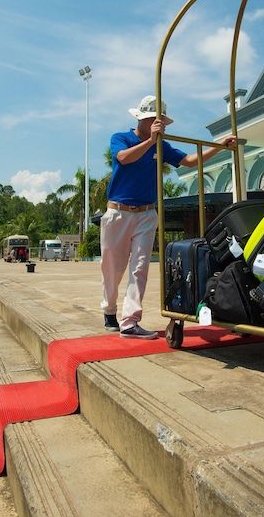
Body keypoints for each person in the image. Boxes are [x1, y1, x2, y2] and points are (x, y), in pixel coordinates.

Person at [101, 95, 236, 339]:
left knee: (140, 267)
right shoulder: (121, 138)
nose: (158, 123)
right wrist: (150, 142)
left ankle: (130, 322)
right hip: (118, 212)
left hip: (146, 213)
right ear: (141, 119)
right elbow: (123, 158)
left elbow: (188, 161)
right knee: (113, 268)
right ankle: (109, 309)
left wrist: (219, 146)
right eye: (153, 119)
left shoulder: (160, 145)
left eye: (160, 120)